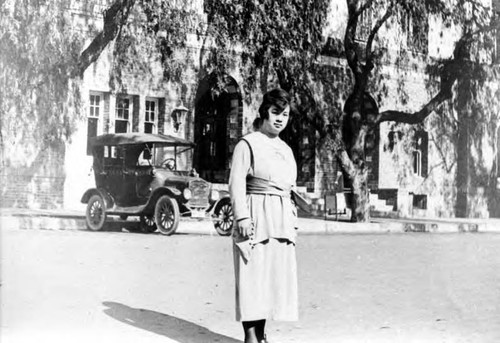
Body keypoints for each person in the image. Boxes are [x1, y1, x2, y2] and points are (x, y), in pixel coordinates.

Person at [229, 88, 298, 343]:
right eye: (275, 112)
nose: (280, 119)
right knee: (252, 276)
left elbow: (287, 185)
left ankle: (261, 334)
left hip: (280, 219)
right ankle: (250, 335)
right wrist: (242, 218)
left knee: (270, 278)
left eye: (285, 114)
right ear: (264, 113)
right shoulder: (248, 144)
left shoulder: (286, 149)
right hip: (255, 214)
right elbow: (236, 182)